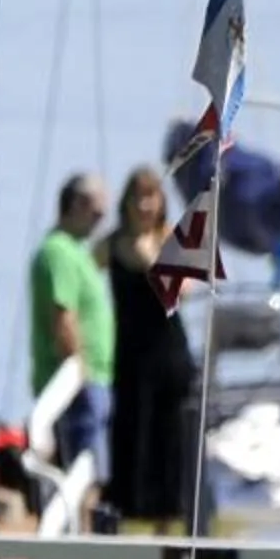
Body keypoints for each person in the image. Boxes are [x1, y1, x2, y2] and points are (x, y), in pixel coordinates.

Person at [106, 163, 197, 523]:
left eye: (151, 197)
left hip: (168, 351)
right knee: (130, 425)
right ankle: (130, 505)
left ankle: (169, 508)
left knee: (169, 432)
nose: (145, 206)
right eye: (138, 198)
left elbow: (182, 291)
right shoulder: (114, 243)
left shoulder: (170, 239)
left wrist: (150, 260)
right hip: (130, 352)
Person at [30, 172, 115, 476]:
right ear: (76, 204)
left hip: (95, 377)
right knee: (84, 468)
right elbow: (62, 314)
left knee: (92, 468)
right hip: (77, 381)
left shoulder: (78, 251)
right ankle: (81, 522)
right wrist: (76, 369)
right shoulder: (58, 252)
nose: (101, 219)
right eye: (97, 211)